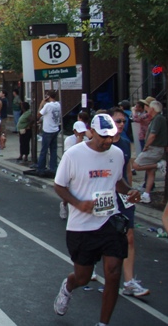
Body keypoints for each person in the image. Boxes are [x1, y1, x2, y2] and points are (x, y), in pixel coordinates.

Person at [53, 114, 141, 326]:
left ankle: (103, 323)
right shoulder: (74, 155)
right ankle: (68, 286)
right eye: (103, 137)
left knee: (113, 272)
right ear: (91, 132)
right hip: (81, 226)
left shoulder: (117, 154)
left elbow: (116, 181)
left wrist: (130, 192)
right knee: (83, 277)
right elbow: (59, 185)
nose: (107, 141)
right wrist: (78, 204)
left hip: (109, 221)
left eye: (111, 136)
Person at [109, 107, 149, 297]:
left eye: (123, 121)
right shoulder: (101, 144)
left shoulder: (125, 144)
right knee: (105, 237)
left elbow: (126, 171)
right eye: (117, 121)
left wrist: (131, 194)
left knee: (129, 236)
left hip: (123, 195)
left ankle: (129, 281)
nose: (121, 125)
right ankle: (90, 268)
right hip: (105, 196)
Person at [132, 100, 167, 203]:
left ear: (152, 109)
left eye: (148, 107)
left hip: (154, 148)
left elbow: (153, 135)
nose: (147, 109)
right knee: (150, 172)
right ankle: (147, 195)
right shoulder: (158, 118)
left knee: (136, 165)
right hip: (157, 148)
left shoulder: (158, 119)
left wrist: (146, 146)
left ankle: (159, 165)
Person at [36, 90, 61, 177]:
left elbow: (38, 115)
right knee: (53, 150)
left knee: (44, 150)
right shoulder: (58, 104)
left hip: (48, 130)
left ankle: (41, 169)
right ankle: (53, 168)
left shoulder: (47, 105)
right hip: (55, 129)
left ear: (48, 96)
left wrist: (41, 104)